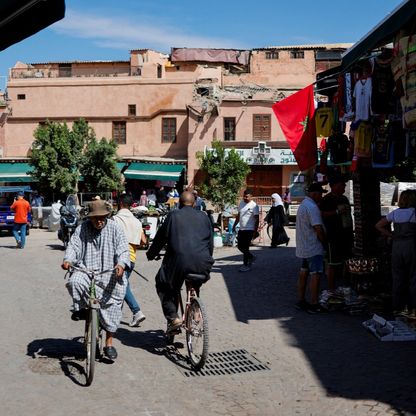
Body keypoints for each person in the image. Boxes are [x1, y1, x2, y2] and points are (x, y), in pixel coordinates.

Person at [61, 199, 130, 361]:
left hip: (110, 274)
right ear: (89, 218)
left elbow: (123, 249)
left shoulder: (115, 228)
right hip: (86, 271)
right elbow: (74, 246)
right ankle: (83, 308)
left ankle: (109, 343)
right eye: (95, 218)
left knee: (113, 308)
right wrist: (68, 260)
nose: (99, 221)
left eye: (102, 217)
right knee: (74, 282)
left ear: (107, 216)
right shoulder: (82, 228)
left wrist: (121, 264)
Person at [146, 191, 214, 333]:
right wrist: (207, 260)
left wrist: (151, 254)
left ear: (179, 203)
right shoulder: (204, 217)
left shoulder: (173, 215)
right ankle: (195, 311)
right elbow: (210, 243)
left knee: (163, 284)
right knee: (195, 284)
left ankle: (173, 317)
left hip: (178, 263)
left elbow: (160, 238)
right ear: (195, 203)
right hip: (202, 262)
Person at [375, 190, 416, 317]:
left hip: (397, 246)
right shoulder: (414, 213)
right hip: (411, 245)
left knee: (398, 277)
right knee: (413, 277)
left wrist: (392, 235)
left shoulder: (395, 213)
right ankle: (413, 308)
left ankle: (398, 307)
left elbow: (378, 225)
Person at [113, 194, 147, 327]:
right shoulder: (137, 222)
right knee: (123, 284)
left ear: (120, 204)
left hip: (119, 259)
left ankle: (136, 311)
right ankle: (117, 314)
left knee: (122, 285)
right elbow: (143, 241)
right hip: (132, 258)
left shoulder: (115, 219)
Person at [295, 183, 327, 314]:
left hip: (304, 247)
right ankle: (314, 303)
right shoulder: (312, 207)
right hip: (313, 247)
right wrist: (325, 243)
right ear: (314, 194)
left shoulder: (303, 205)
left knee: (304, 273)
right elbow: (318, 228)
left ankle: (301, 300)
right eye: (320, 194)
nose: (321, 196)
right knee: (316, 274)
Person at [320, 175, 354, 290]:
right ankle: (331, 289)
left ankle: (346, 287)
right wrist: (336, 211)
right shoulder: (327, 199)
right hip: (333, 236)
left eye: (344, 186)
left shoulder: (344, 198)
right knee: (332, 264)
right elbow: (322, 215)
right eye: (341, 185)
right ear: (333, 186)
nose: (343, 188)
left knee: (347, 261)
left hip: (346, 235)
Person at [232, 189, 260, 272]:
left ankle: (246, 265)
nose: (245, 198)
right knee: (240, 246)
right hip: (242, 228)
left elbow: (257, 219)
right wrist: (234, 225)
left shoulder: (254, 206)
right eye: (244, 196)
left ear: (251, 196)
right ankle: (251, 257)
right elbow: (239, 215)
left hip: (250, 229)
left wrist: (255, 232)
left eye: (247, 196)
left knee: (245, 247)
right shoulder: (241, 203)